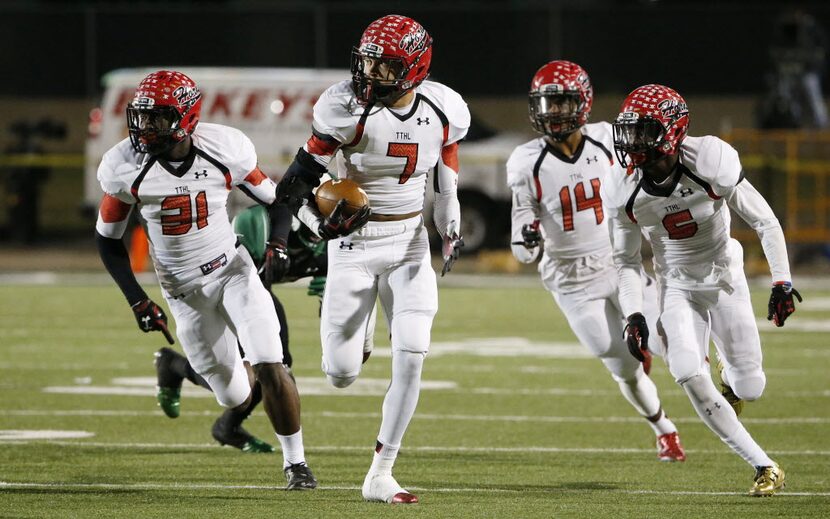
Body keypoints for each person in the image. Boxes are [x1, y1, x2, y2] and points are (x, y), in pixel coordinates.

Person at [274, 14, 469, 503]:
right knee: (340, 373)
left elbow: (446, 174)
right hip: (352, 246)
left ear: (415, 67)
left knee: (412, 352)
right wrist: (319, 225)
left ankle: (380, 472)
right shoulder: (345, 108)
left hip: (409, 244)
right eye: (367, 63)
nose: (371, 75)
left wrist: (450, 226)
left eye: (384, 66)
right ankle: (357, 336)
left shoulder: (444, 108)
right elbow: (294, 184)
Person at [94, 70, 317, 490]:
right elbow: (108, 241)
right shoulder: (124, 166)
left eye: (157, 118)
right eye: (141, 117)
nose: (145, 128)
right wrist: (138, 301)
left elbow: (277, 198)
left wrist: (279, 243)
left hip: (232, 271)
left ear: (185, 117)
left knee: (271, 359)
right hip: (183, 292)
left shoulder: (223, 148)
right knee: (233, 395)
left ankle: (296, 465)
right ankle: (174, 365)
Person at [606, 84, 803, 496]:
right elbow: (625, 261)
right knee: (685, 371)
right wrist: (635, 315)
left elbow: (764, 221)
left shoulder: (710, 160)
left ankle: (730, 378)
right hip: (675, 283)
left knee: (750, 386)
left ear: (673, 130)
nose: (634, 143)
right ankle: (764, 465)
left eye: (644, 131)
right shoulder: (623, 188)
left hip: (724, 276)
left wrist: (782, 280)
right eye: (630, 132)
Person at [508, 60, 685, 463]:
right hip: (571, 282)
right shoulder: (524, 161)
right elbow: (521, 250)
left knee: (668, 340)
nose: (553, 113)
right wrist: (529, 238)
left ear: (583, 102)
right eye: (546, 104)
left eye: (563, 102)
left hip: (617, 262)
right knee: (624, 367)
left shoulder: (610, 140)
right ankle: (664, 428)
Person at [153, 204, 329, 454]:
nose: (336, 218)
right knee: (269, 369)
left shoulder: (337, 240)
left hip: (257, 287)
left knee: (267, 372)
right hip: (229, 283)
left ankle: (226, 424)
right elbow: (239, 276)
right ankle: (175, 367)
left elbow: (330, 314)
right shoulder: (260, 223)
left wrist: (330, 297)